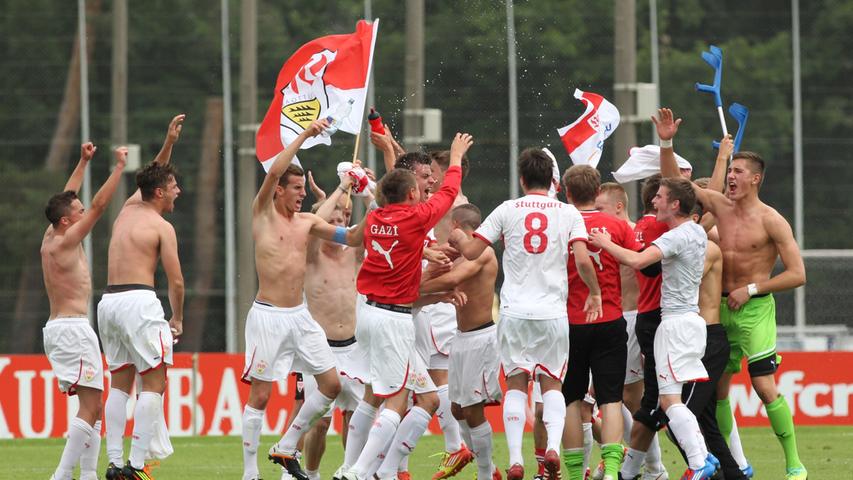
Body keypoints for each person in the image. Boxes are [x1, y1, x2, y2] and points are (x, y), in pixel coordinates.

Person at [655, 107, 807, 480]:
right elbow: (675, 184)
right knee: (719, 392)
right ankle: (734, 465)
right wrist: (666, 141)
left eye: (739, 172)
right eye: (731, 171)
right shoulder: (720, 207)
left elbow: (798, 274)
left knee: (763, 385)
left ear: (755, 179)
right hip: (719, 312)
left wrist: (751, 288)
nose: (732, 178)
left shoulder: (772, 219)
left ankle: (794, 463)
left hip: (755, 309)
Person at [449, 148, 603, 480]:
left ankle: (517, 458)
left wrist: (459, 236)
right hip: (552, 313)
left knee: (517, 384)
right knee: (553, 386)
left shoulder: (507, 209)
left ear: (521, 179)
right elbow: (580, 259)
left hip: (515, 311)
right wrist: (594, 292)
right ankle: (551, 450)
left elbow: (473, 250)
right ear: (552, 180)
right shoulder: (568, 213)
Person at [338, 133, 471, 480]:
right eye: (420, 182)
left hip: (368, 312)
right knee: (396, 400)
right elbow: (448, 193)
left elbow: (371, 232)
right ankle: (360, 472)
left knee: (423, 399)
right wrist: (455, 158)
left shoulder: (376, 216)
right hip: (394, 319)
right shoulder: (416, 219)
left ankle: (369, 469)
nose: (427, 185)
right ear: (411, 193)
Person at [239, 118, 365, 480]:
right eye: (295, 188)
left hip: (301, 318)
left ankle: (286, 444)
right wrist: (305, 135)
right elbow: (275, 169)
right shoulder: (262, 213)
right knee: (260, 397)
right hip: (268, 316)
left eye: (301, 189)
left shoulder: (308, 222)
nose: (301, 194)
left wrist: (373, 197)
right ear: (278, 190)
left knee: (331, 385)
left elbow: (353, 237)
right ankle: (250, 473)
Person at [590, 175, 718, 480]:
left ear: (675, 204)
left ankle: (700, 461)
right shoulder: (697, 232)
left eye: (660, 197)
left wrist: (604, 242)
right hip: (689, 322)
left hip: (674, 324)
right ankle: (697, 460)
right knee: (663, 400)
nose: (654, 201)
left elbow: (636, 261)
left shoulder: (676, 237)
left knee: (669, 402)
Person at [97, 115, 185, 480]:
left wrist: (169, 142)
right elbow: (176, 282)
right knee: (154, 382)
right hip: (139, 302)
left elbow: (153, 174)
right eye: (174, 186)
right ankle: (135, 467)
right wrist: (177, 318)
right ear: (160, 193)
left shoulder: (129, 209)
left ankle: (115, 463)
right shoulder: (161, 226)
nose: (178, 190)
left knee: (119, 382)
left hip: (108, 304)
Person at [41, 143, 126, 480]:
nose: (82, 211)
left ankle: (88, 474)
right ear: (66, 220)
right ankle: (62, 475)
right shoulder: (65, 240)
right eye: (77, 211)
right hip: (72, 328)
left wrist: (84, 161)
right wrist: (119, 167)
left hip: (65, 328)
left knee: (96, 405)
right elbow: (100, 205)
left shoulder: (51, 233)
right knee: (90, 407)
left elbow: (68, 193)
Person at [561, 165, 641, 480]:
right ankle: (610, 470)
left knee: (571, 398)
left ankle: (573, 472)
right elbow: (638, 262)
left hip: (570, 322)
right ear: (597, 193)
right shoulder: (616, 226)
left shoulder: (560, 224)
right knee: (610, 398)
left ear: (566, 193)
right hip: (609, 319)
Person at [297, 174, 372, 480]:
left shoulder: (354, 253)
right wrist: (340, 187)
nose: (337, 225)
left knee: (356, 418)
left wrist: (365, 186)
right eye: (332, 219)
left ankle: (350, 471)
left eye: (342, 219)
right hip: (321, 348)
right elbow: (315, 220)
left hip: (355, 346)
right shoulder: (311, 255)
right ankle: (312, 474)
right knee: (320, 421)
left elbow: (377, 214)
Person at [665, 200, 747, 480]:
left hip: (708, 341)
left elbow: (680, 277)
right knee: (706, 422)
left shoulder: (706, 249)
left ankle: (706, 466)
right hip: (698, 339)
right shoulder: (696, 245)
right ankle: (733, 473)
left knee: (677, 419)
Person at [421, 203, 501, 480]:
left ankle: (486, 474)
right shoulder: (458, 254)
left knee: (472, 409)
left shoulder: (483, 251)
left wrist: (408, 289)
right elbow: (440, 276)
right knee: (457, 409)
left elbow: (452, 279)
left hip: (481, 337)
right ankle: (489, 469)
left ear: (456, 227)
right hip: (461, 338)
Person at [594, 183, 667, 479]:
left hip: (633, 318)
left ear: (619, 207)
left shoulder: (636, 233)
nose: (595, 213)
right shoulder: (599, 234)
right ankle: (631, 458)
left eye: (600, 208)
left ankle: (653, 467)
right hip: (607, 320)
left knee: (632, 397)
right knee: (608, 394)